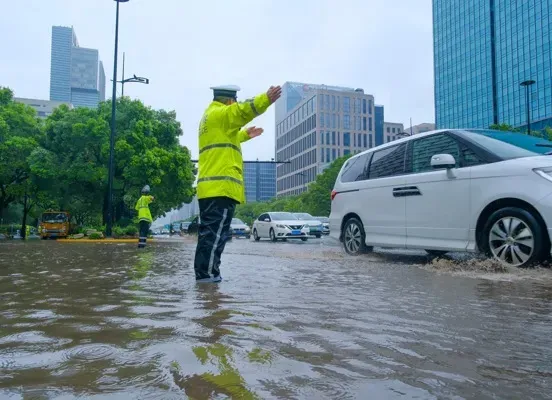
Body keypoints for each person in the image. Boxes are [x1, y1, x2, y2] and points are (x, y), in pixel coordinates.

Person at [194, 84, 282, 282]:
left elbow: (226, 136)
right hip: (220, 188)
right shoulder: (221, 113)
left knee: (210, 235)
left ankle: (207, 278)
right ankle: (207, 280)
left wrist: (244, 135)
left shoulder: (210, 117)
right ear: (229, 100)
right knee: (215, 237)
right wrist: (266, 98)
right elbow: (242, 110)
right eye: (234, 101)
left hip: (211, 188)